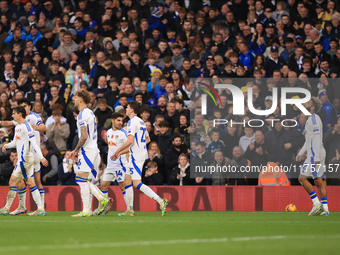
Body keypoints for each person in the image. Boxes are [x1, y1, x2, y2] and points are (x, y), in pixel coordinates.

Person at [112, 101, 168, 216]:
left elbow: (130, 140)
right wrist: (132, 149)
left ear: (132, 110)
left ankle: (160, 200)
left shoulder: (132, 122)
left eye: (127, 107)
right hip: (137, 153)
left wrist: (119, 150)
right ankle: (130, 209)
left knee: (137, 183)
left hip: (136, 156)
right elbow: (147, 140)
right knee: (127, 181)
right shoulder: (141, 122)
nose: (126, 109)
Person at [69, 89, 112, 217]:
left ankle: (95, 205)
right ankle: (95, 204)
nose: (74, 99)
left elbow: (84, 136)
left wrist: (76, 150)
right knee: (83, 180)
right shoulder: (90, 113)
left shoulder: (82, 114)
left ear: (81, 99)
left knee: (81, 180)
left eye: (76, 97)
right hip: (93, 149)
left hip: (87, 150)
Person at [0, 98, 46, 216]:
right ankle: (40, 208)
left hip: (25, 159)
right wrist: (6, 145)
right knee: (30, 183)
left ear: (20, 114)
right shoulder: (18, 127)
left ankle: (6, 208)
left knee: (12, 181)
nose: (12, 116)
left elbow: (34, 143)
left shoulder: (27, 126)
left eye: (14, 114)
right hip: (24, 159)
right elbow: (16, 142)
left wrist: (41, 157)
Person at [93, 112, 131, 216]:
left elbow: (130, 146)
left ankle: (129, 209)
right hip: (110, 165)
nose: (120, 122)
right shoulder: (108, 132)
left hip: (120, 164)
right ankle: (103, 208)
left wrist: (124, 153)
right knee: (104, 186)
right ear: (112, 121)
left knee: (123, 186)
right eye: (118, 120)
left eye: (121, 120)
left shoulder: (123, 133)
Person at [296, 97, 329, 216]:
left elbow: (315, 138)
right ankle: (325, 209)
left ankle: (316, 203)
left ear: (313, 106)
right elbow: (308, 140)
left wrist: (315, 157)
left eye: (308, 102)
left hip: (315, 153)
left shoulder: (314, 118)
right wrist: (300, 154)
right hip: (318, 151)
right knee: (319, 181)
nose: (305, 104)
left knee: (301, 178)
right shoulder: (311, 119)